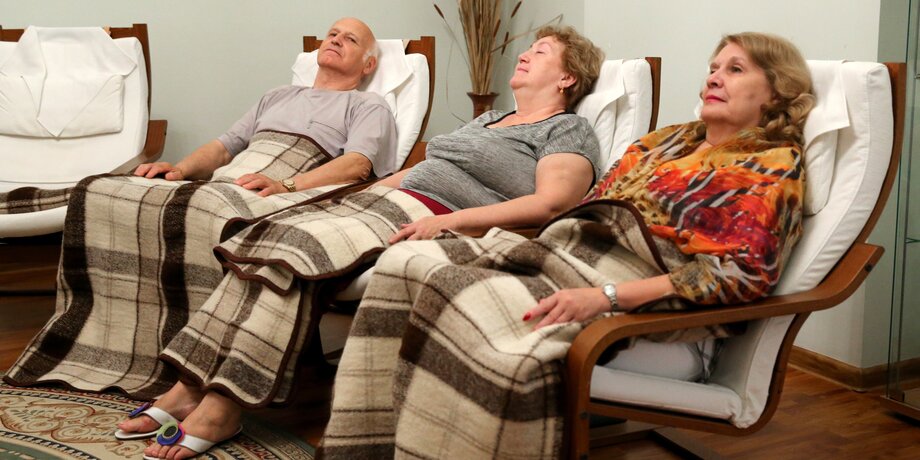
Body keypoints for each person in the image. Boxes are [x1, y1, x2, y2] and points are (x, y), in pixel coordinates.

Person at [8, 25, 605, 460]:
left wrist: (449, 223)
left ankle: (222, 406)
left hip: (438, 218)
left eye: (540, 52)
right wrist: (355, 197)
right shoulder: (489, 120)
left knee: (292, 252)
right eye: (528, 48)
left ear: (568, 77)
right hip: (391, 202)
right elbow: (410, 173)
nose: (525, 54)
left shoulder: (566, 128)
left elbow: (552, 204)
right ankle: (190, 386)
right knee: (265, 239)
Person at [317, 32, 816, 459]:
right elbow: (593, 208)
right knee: (406, 263)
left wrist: (605, 297)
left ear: (776, 93)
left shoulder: (769, 164)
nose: (713, 78)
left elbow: (740, 275)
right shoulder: (666, 142)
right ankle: (368, 442)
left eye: (734, 69)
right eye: (713, 68)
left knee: (459, 295)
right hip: (568, 254)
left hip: (639, 301)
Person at [134, 16, 397, 192]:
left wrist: (285, 186)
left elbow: (356, 165)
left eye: (350, 39)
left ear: (369, 65)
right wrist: (179, 170)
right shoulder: (278, 95)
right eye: (332, 34)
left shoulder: (367, 105)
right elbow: (224, 148)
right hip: (228, 184)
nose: (336, 40)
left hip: (272, 194)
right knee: (118, 190)